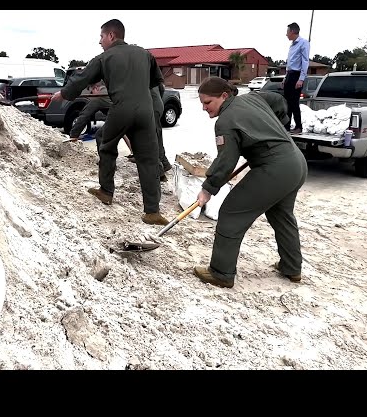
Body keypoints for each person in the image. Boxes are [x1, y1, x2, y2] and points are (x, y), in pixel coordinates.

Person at [192, 76, 308, 289]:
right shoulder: (253, 98)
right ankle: (292, 268)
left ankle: (220, 273)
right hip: (296, 162)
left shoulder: (225, 121)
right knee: (281, 215)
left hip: (275, 168)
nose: (203, 108)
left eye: (207, 102)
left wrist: (208, 189)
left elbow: (226, 160)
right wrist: (279, 127)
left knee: (231, 212)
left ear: (224, 96)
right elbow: (279, 102)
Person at [50, 19, 168, 225]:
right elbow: (157, 81)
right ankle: (152, 212)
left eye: (101, 37)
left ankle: (106, 191)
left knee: (104, 141)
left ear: (111, 36)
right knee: (148, 158)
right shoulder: (144, 54)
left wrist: (63, 93)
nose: (100, 41)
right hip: (147, 111)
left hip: (122, 107)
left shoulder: (105, 57)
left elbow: (81, 78)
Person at [281, 22, 310, 134]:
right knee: (287, 102)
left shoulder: (303, 43)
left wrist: (301, 78)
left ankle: (298, 126)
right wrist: (285, 77)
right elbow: (290, 64)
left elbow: (305, 61)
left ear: (293, 31)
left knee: (294, 102)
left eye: (287, 32)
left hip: (296, 75)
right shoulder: (292, 45)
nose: (286, 34)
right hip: (289, 74)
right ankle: (287, 126)